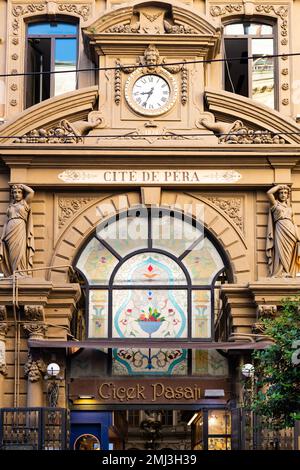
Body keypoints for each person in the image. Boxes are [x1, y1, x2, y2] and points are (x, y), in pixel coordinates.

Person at [0, 184, 35, 277]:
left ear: (23, 194)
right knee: (11, 252)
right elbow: (6, 222)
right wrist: (2, 236)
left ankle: (20, 271)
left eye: (19, 192)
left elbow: (32, 192)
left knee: (20, 249)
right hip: (9, 230)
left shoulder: (25, 203)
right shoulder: (11, 206)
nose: (17, 194)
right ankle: (13, 271)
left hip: (20, 228)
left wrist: (21, 185)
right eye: (15, 192)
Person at [266, 184, 300, 277]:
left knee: (290, 252)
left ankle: (288, 271)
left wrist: (298, 236)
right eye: (281, 193)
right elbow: (269, 193)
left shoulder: (290, 208)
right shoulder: (276, 204)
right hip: (280, 228)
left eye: (285, 193)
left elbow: (293, 223)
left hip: (291, 231)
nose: (283, 195)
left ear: (288, 195)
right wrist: (279, 186)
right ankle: (282, 272)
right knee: (280, 250)